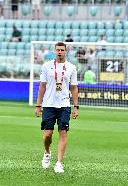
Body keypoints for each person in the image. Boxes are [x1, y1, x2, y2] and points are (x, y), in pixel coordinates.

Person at [35, 42, 79, 173]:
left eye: (62, 50)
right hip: (49, 104)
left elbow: (74, 87)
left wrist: (76, 107)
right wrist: (38, 105)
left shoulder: (71, 67)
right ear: (54, 51)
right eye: (58, 50)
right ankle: (47, 152)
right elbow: (42, 86)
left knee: (63, 133)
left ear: (66, 52)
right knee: (47, 135)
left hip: (64, 104)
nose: (60, 52)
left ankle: (59, 163)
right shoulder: (46, 66)